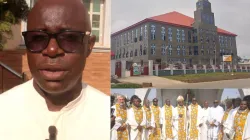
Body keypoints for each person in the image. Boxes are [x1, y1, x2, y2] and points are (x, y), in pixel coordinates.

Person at [0, 0, 109, 139]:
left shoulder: (107, 115)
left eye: (69, 38)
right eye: (37, 38)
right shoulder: (3, 110)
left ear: (89, 45)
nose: (52, 50)